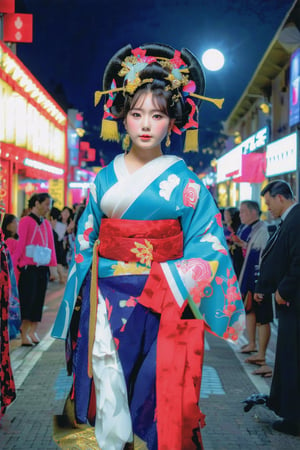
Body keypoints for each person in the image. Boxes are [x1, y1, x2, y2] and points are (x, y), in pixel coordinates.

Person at [52, 43, 245, 450]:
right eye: (136, 114)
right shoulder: (103, 180)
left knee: (156, 393)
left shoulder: (189, 185)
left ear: (174, 121)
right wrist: (82, 298)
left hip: (164, 302)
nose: (145, 125)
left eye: (157, 115)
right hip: (105, 302)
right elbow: (86, 242)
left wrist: (171, 279)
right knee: (107, 386)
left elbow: (209, 247)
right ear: (120, 116)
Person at [254, 180, 300, 436]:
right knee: (287, 358)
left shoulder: (297, 220)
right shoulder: (289, 220)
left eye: (269, 202)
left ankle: (294, 419)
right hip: (288, 303)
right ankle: (288, 411)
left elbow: (298, 261)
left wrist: (284, 289)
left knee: (292, 360)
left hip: (293, 302)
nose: (268, 208)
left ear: (281, 198)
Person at [12, 193, 57, 346]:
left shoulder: (45, 223)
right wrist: (13, 264)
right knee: (27, 300)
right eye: (46, 204)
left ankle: (33, 330)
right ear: (36, 203)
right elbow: (20, 244)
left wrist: (53, 268)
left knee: (38, 300)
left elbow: (51, 246)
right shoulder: (25, 221)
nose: (48, 208)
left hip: (42, 267)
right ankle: (24, 332)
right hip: (28, 268)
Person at [237, 201, 273, 377]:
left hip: (259, 280)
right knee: (250, 311)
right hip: (250, 278)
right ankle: (252, 344)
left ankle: (262, 356)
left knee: (262, 317)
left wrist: (261, 284)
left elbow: (263, 257)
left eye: (243, 211)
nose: (240, 215)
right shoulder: (250, 228)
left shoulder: (263, 229)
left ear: (253, 212)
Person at [223, 207, 243, 277]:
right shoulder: (226, 227)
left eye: (226, 214)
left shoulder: (234, 228)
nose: (224, 216)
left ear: (231, 216)